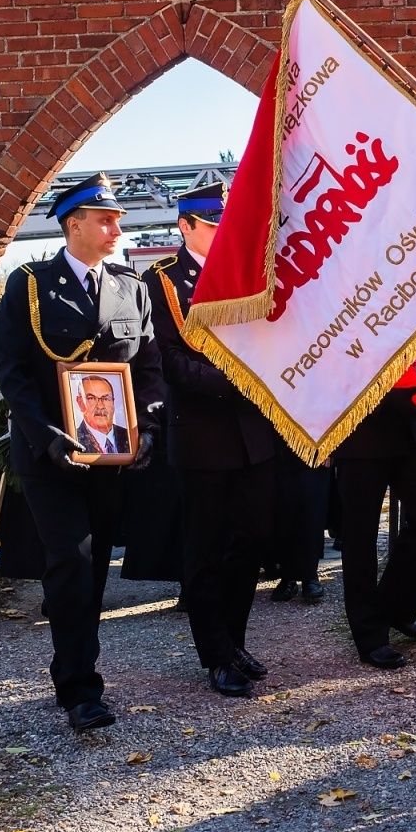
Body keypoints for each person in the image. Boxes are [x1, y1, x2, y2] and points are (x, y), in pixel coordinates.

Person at [0, 172, 165, 730]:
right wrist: (46, 434)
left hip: (110, 454)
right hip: (50, 454)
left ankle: (70, 660)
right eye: (105, 219)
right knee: (72, 559)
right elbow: (13, 371)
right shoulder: (30, 284)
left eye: (117, 220)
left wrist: (148, 428)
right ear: (74, 225)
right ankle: (80, 689)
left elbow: (147, 369)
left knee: (93, 572)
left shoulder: (129, 285)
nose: (117, 228)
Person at [145, 182, 274, 697]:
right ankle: (215, 656)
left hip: (253, 435)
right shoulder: (165, 283)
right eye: (214, 223)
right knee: (205, 551)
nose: (224, 231)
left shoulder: (244, 273)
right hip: (203, 434)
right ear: (186, 226)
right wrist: (234, 382)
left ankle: (235, 640)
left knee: (252, 542)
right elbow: (169, 361)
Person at [332, 385, 416, 670]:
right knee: (359, 538)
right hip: (359, 428)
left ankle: (396, 607)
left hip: (410, 426)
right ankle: (369, 635)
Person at [268, 440, 328, 603]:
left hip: (314, 439)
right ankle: (287, 575)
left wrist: (329, 445)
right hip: (278, 445)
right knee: (282, 509)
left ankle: (310, 575)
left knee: (312, 510)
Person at [72, 374, 131, 454]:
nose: (100, 406)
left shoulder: (130, 438)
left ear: (113, 402)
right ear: (80, 402)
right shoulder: (73, 440)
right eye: (91, 398)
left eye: (106, 399)